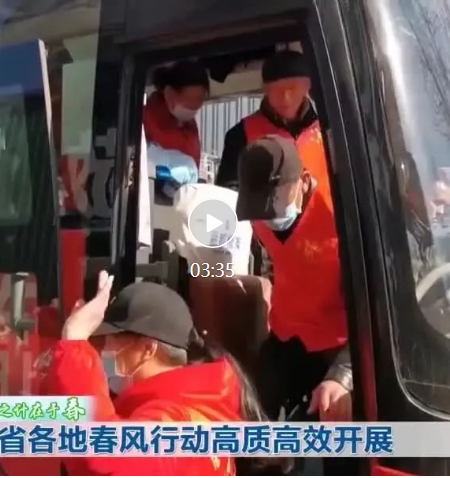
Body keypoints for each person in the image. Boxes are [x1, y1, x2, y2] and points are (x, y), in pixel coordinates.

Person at [46, 273, 286, 476]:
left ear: (147, 349)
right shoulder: (190, 408)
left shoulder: (176, 423)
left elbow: (102, 459)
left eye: (110, 341)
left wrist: (74, 344)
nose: (102, 352)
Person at [235, 136, 353, 427]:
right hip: (287, 334)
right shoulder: (259, 211)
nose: (269, 219)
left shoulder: (341, 217)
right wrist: (206, 272)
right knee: (248, 411)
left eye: (275, 204)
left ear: (304, 182)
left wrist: (344, 376)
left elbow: (378, 309)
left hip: (339, 344)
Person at [215, 50, 323, 189]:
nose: (286, 98)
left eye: (292, 88)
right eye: (277, 90)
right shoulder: (240, 135)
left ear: (308, 85)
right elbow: (228, 192)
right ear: (265, 89)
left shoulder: (329, 130)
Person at [143, 60, 209, 166]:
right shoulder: (144, 120)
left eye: (199, 100)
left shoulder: (190, 126)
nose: (193, 107)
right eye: (189, 100)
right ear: (169, 94)